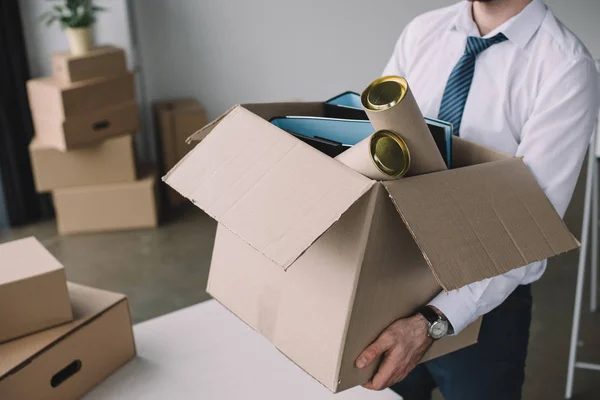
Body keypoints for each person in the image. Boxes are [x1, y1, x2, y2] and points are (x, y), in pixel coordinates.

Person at [354, 0, 600, 399]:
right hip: (388, 279)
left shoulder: (566, 66)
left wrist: (434, 319)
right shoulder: (423, 31)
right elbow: (377, 146)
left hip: (483, 306)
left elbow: (525, 229)